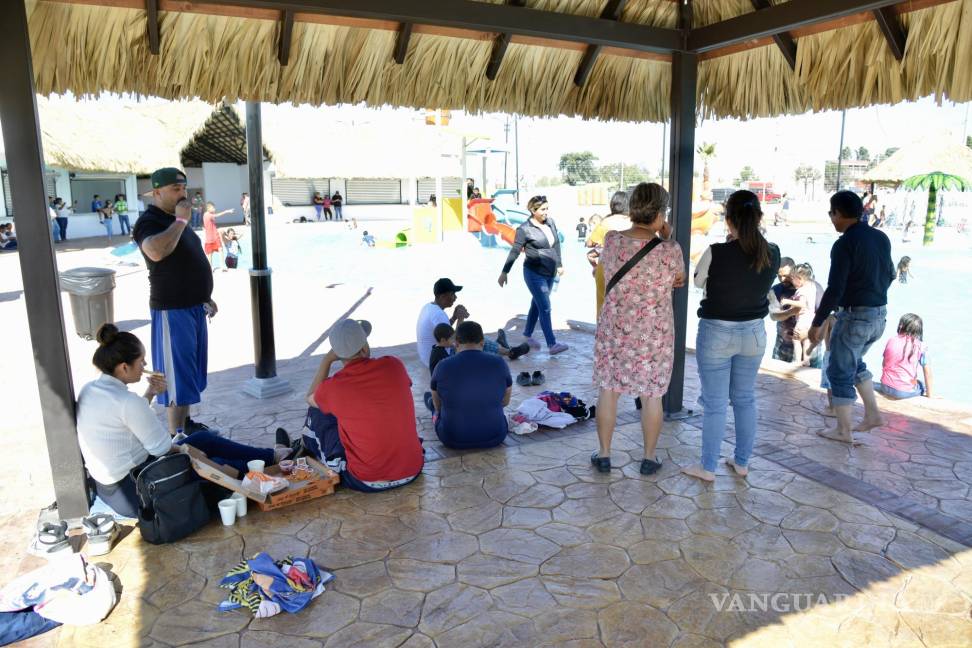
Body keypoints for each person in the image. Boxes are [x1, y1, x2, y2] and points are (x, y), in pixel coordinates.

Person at [76, 324, 291, 519]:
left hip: (110, 489)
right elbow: (161, 448)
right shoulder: (126, 401)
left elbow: (127, 418)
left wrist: (150, 392)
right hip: (136, 491)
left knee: (204, 439)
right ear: (124, 367)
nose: (145, 366)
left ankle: (272, 455)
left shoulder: (92, 389)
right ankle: (269, 469)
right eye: (141, 362)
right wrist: (193, 453)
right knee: (208, 461)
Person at [684, 190, 781, 481]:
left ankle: (708, 467)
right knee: (745, 399)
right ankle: (741, 462)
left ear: (729, 221)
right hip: (754, 333)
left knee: (715, 403)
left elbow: (699, 281)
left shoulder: (717, 252)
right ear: (759, 217)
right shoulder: (772, 252)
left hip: (717, 333)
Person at [590, 183, 684, 475]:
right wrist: (667, 236)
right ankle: (649, 457)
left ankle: (604, 454)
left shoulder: (613, 240)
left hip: (614, 329)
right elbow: (680, 279)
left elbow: (604, 268)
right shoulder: (670, 250)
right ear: (659, 213)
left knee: (609, 389)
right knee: (651, 394)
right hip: (653, 334)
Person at [132, 167, 219, 436]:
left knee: (189, 372)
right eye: (175, 189)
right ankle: (175, 435)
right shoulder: (150, 222)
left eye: (183, 188)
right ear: (157, 192)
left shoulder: (174, 219)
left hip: (193, 306)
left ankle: (186, 424)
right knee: (174, 374)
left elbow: (186, 260)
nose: (183, 194)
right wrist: (181, 222)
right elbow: (156, 252)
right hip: (172, 309)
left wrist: (205, 296)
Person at [809, 191, 895, 443]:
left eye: (831, 214)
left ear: (838, 213)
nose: (831, 219)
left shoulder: (844, 244)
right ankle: (872, 415)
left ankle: (843, 430)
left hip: (856, 316)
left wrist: (818, 322)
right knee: (854, 363)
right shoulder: (880, 237)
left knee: (838, 370)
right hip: (878, 315)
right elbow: (890, 274)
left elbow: (835, 288)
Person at [307, 319, 424, 491]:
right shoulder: (394, 365)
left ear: (337, 353)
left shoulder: (334, 387)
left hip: (367, 480)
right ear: (364, 347)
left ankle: (302, 447)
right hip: (413, 470)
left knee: (317, 412)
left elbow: (310, 397)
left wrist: (326, 360)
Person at [498, 195, 568, 355]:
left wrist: (559, 264)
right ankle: (552, 344)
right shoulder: (524, 229)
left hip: (549, 272)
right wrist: (504, 272)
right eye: (543, 209)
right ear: (532, 210)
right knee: (545, 307)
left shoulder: (550, 222)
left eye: (547, 208)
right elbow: (515, 251)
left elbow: (556, 244)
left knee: (536, 304)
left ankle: (527, 335)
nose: (546, 212)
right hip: (534, 274)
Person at [430, 321, 512, 450]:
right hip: (496, 435)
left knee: (432, 404)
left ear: (456, 344)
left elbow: (438, 405)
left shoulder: (442, 366)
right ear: (482, 343)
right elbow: (505, 402)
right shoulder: (499, 363)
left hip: (452, 438)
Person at [416, 278, 527, 366]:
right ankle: (510, 352)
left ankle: (501, 348)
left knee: (472, 335)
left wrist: (454, 317)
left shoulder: (429, 307)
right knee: (472, 336)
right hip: (441, 360)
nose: (455, 297)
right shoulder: (438, 314)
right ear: (442, 296)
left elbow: (442, 333)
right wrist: (461, 318)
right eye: (452, 294)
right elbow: (455, 342)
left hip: (429, 357)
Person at [587, 191, 631, 319]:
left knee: (603, 306)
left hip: (606, 268)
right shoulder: (634, 222)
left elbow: (590, 242)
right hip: (629, 269)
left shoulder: (605, 223)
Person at [876, 314, 933, 399]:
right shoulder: (921, 346)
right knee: (922, 385)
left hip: (885, 387)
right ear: (919, 330)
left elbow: (884, 364)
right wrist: (930, 396)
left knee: (912, 381)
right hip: (903, 392)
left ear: (901, 326)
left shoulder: (891, 340)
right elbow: (927, 372)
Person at [779, 263, 819, 365]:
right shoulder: (812, 287)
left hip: (802, 321)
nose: (791, 281)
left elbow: (802, 304)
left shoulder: (801, 290)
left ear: (800, 279)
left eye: (792, 279)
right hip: (811, 322)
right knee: (806, 341)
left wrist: (788, 301)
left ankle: (797, 361)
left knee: (796, 340)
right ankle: (806, 360)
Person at [202, 202, 234, 270]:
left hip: (212, 237)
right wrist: (227, 211)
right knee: (212, 254)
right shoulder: (208, 215)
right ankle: (220, 266)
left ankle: (219, 266)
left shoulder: (205, 215)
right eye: (213, 208)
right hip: (212, 238)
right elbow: (218, 215)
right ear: (208, 208)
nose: (214, 209)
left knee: (219, 250)